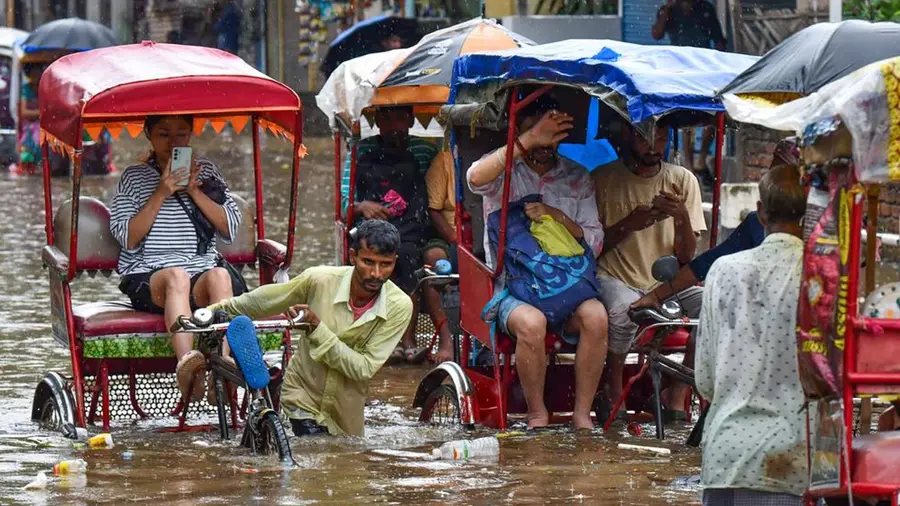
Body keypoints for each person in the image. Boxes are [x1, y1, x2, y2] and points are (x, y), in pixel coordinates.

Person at [467, 95, 608, 430]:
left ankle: (581, 414)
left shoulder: (577, 177)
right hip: (514, 288)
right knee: (531, 324)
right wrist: (529, 138)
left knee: (598, 316)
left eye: (552, 137)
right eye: (539, 135)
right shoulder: (504, 169)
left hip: (568, 284)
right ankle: (536, 413)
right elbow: (475, 179)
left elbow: (595, 241)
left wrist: (557, 217)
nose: (546, 145)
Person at [629, 138, 800, 413]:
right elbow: (706, 263)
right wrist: (655, 295)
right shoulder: (758, 232)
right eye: (772, 169)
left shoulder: (733, 267)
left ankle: (676, 397)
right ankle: (675, 399)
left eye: (779, 173)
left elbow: (712, 265)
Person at [209, 220, 414, 437]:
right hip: (302, 394)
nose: (376, 273)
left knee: (347, 466)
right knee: (310, 455)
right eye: (368, 262)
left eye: (385, 265)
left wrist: (317, 328)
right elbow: (265, 300)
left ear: (395, 262)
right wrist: (213, 311)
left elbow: (363, 368)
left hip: (346, 412)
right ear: (353, 257)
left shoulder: (399, 306)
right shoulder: (320, 280)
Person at [109, 114, 242, 404]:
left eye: (181, 134)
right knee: (176, 277)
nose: (173, 143)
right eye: (164, 135)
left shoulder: (207, 173)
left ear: (191, 136)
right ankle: (188, 368)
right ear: (149, 135)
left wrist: (193, 189)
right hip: (150, 274)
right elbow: (127, 237)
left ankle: (222, 365)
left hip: (200, 271)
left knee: (220, 276)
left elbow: (229, 226)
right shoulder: (134, 177)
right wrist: (162, 190)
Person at [695, 163, 807, 505]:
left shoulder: (722, 270)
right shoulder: (821, 276)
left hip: (724, 453)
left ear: (760, 212)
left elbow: (705, 380)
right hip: (789, 460)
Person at [593, 118, 706, 419]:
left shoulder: (682, 180)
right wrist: (632, 223)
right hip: (616, 275)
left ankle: (678, 391)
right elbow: (590, 249)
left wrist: (680, 215)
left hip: (669, 282)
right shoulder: (602, 179)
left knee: (714, 306)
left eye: (660, 139)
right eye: (645, 139)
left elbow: (687, 256)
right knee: (624, 311)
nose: (654, 147)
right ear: (628, 136)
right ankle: (613, 387)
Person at [350, 106, 445, 364]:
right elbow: (342, 204)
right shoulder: (362, 153)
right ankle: (374, 336)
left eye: (399, 118)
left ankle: (407, 340)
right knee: (373, 257)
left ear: (411, 119)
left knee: (409, 257)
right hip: (370, 229)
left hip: (410, 229)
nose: (393, 125)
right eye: (386, 118)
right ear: (377, 120)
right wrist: (362, 206)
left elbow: (426, 201)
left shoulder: (425, 152)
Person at [652, 0, 726, 182]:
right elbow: (656, 34)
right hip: (679, 71)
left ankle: (701, 160)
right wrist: (667, 10)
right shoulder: (669, 10)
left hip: (703, 69)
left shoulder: (705, 8)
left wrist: (717, 66)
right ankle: (689, 164)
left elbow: (719, 41)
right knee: (685, 116)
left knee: (710, 113)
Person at [424, 150, 458, 363]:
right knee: (434, 262)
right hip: (447, 236)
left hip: (490, 235)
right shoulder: (445, 160)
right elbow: (433, 210)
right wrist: (455, 240)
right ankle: (446, 339)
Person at [14, 63, 42, 175]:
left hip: (42, 124)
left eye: (38, 73)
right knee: (32, 141)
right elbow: (24, 112)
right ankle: (28, 167)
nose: (36, 76)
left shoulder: (43, 88)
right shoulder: (26, 89)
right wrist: (39, 113)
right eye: (33, 73)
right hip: (29, 126)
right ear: (29, 75)